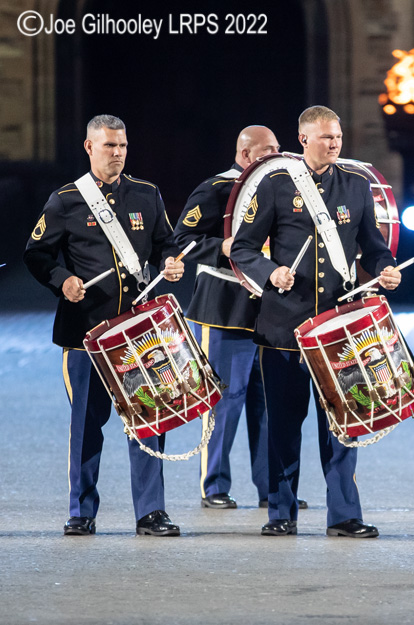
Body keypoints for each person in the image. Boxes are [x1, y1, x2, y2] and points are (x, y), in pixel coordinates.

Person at [230, 106, 402, 537]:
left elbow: (373, 245)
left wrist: (386, 267)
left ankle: (344, 515)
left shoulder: (357, 185)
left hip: (338, 329)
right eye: (325, 137)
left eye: (338, 136)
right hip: (284, 328)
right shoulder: (275, 185)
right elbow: (243, 248)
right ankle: (281, 514)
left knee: (343, 425)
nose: (334, 143)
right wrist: (270, 272)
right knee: (284, 425)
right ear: (303, 140)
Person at [23, 114, 185, 536]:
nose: (117, 153)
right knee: (85, 426)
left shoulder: (147, 195)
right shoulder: (66, 200)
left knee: (149, 420)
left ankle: (151, 511)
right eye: (109, 146)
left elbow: (168, 242)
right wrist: (64, 281)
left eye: (123, 146)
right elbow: (36, 255)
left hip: (138, 332)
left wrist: (171, 262)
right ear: (89, 147)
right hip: (85, 335)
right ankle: (81, 511)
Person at [174, 126, 310, 510]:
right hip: (225, 310)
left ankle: (272, 488)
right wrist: (224, 246)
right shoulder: (215, 189)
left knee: (268, 403)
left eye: (278, 148)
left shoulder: (284, 187)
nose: (278, 154)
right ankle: (214, 485)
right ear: (246, 154)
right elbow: (181, 240)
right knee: (224, 400)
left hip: (271, 310)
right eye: (268, 149)